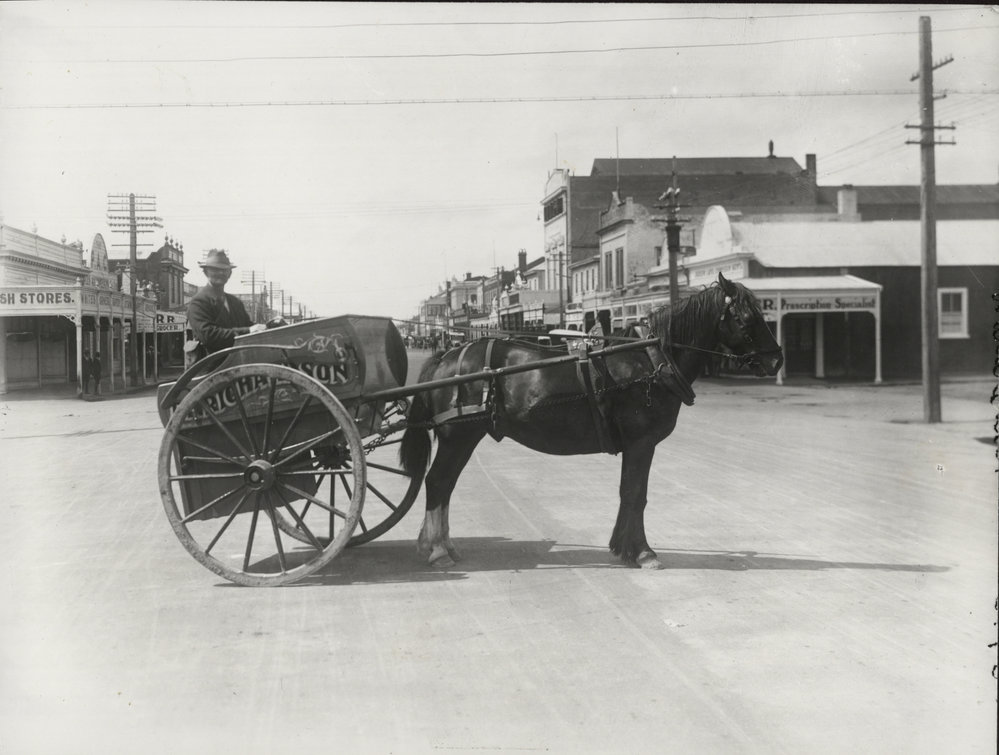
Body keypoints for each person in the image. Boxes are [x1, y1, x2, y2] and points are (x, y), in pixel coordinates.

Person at [187, 249, 265, 355]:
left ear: (230, 273)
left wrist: (268, 326)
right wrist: (248, 331)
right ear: (206, 272)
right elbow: (208, 335)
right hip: (212, 366)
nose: (220, 273)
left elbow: (249, 325)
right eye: (215, 269)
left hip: (238, 361)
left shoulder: (235, 302)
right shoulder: (199, 302)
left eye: (225, 270)